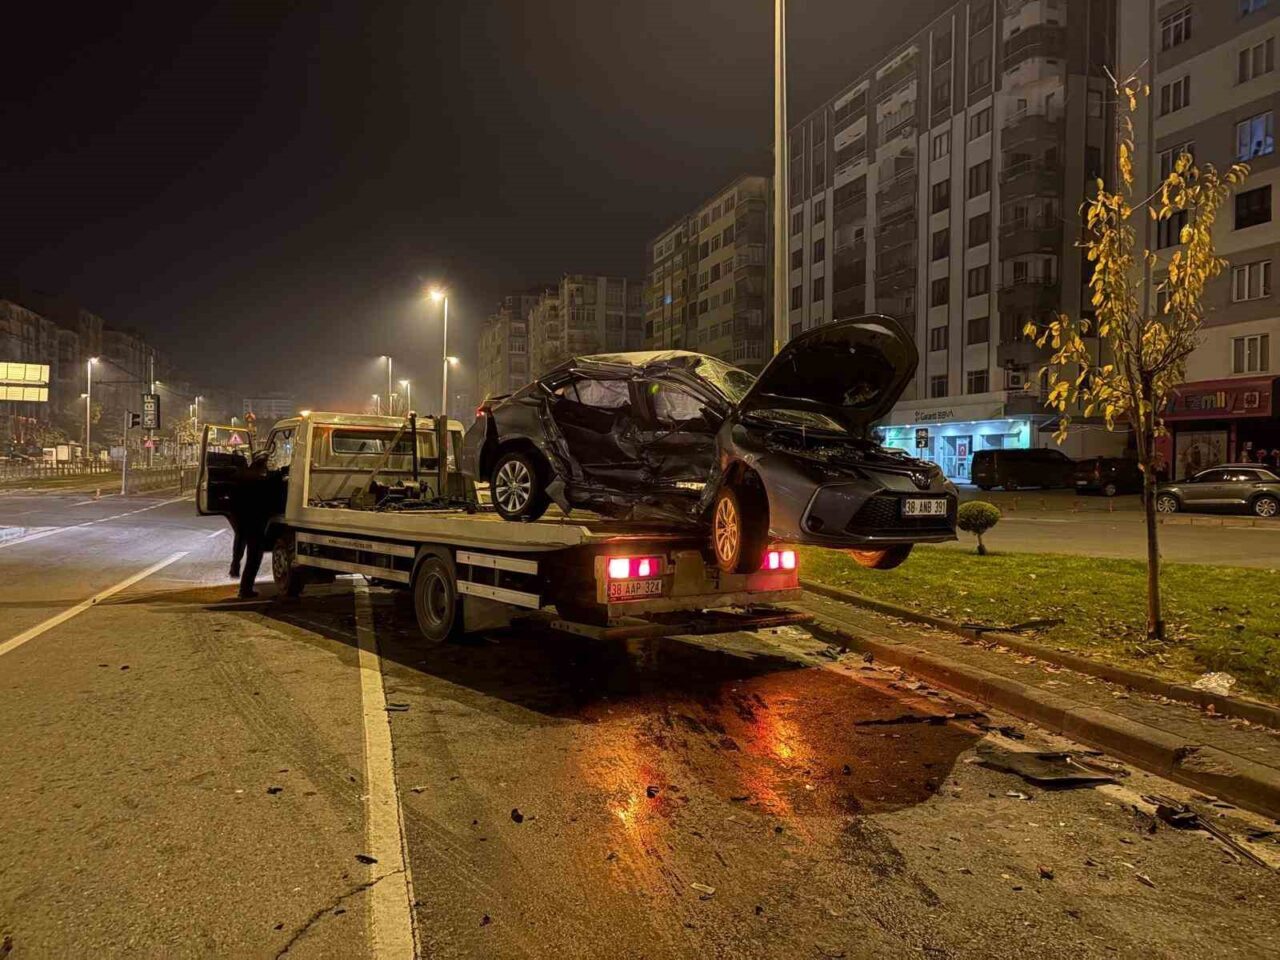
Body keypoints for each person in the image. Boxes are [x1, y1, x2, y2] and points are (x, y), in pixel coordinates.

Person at [228, 450, 274, 598]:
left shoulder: (241, 476)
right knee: (254, 556)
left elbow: (233, 498)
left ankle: (235, 564)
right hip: (255, 521)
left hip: (241, 518)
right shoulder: (262, 478)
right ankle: (245, 589)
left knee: (240, 541)